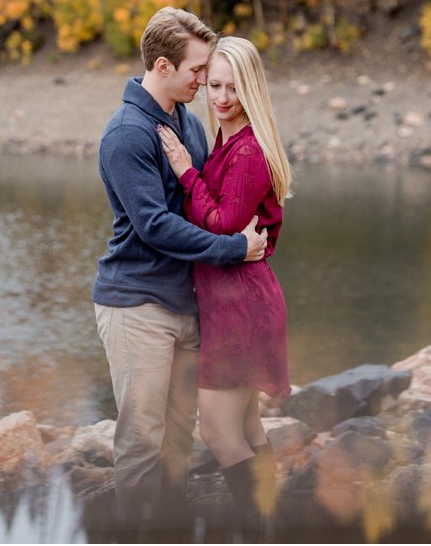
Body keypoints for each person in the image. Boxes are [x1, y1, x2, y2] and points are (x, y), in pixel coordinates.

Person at [93, 8, 269, 532]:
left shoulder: (187, 123)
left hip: (188, 305)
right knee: (142, 441)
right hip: (136, 303)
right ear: (164, 66)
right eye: (197, 71)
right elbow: (154, 226)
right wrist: (233, 249)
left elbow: (209, 200)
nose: (204, 80)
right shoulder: (126, 133)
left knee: (177, 440)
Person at [156, 36, 292, 532]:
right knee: (247, 424)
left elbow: (223, 225)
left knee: (215, 427)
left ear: (250, 89)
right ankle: (274, 525)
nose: (221, 97)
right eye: (213, 84)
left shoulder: (248, 150)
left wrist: (185, 173)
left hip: (241, 305)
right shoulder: (227, 141)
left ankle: (262, 531)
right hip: (235, 300)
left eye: (233, 87)